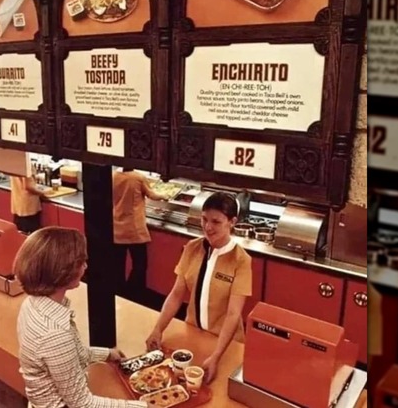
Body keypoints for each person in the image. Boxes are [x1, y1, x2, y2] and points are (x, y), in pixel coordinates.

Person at [14, 227, 147, 408]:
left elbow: (74, 354)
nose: (85, 266)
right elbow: (82, 404)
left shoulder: (33, 303)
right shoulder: (54, 333)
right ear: (61, 270)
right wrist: (144, 407)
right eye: (80, 262)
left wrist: (108, 354)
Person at [145, 192, 251, 384]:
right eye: (204, 219)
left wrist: (216, 357)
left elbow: (233, 314)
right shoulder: (192, 248)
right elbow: (177, 294)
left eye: (216, 222)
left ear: (232, 222)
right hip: (193, 333)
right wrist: (158, 329)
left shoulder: (241, 260)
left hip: (226, 344)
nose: (208, 227)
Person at [112, 168, 168, 299]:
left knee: (118, 264)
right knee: (140, 264)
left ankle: (119, 292)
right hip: (134, 229)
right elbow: (152, 195)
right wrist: (165, 196)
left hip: (117, 226)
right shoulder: (138, 178)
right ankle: (133, 292)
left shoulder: (113, 176)